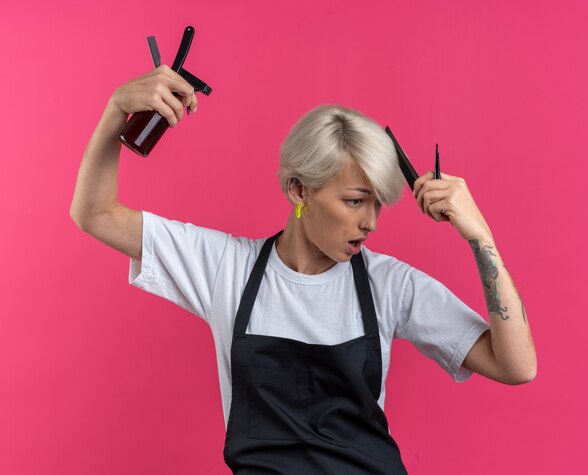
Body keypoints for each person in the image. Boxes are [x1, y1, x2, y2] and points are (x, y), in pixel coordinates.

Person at [70, 65, 537, 474]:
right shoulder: (224, 268)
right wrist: (117, 109)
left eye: (377, 204)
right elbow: (95, 213)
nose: (369, 222)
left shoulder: (389, 284)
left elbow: (516, 366)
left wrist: (481, 236)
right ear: (299, 191)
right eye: (354, 201)